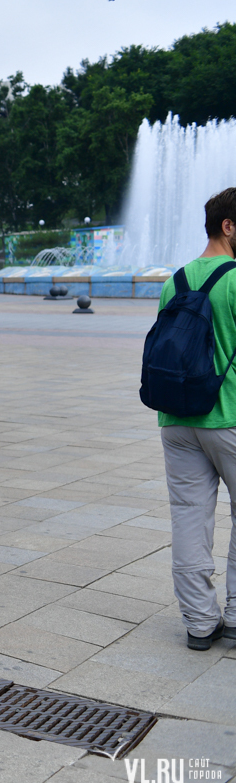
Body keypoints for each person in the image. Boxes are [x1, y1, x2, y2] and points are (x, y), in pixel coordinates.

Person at [157, 187, 236, 651]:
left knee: (188, 518)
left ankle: (200, 621)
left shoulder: (176, 279)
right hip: (229, 416)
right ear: (228, 226)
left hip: (178, 418)